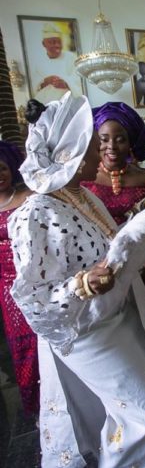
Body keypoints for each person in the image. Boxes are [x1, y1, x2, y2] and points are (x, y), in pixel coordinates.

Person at [9, 93, 145, 467]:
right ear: (71, 153)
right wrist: (82, 285)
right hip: (85, 332)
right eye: (94, 147)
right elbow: (34, 298)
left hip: (119, 318)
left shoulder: (83, 197)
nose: (102, 155)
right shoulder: (34, 212)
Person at [82, 102, 145, 324]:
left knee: (142, 323)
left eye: (120, 139)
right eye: (103, 139)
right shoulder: (84, 179)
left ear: (131, 141)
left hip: (139, 266)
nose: (111, 146)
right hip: (96, 266)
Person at [0, 141, 39, 416]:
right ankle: (37, 406)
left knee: (44, 339)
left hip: (36, 277)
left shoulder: (28, 196)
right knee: (23, 344)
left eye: (1, 168)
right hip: (6, 286)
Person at [31, 22, 82, 103]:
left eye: (59, 42)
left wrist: (66, 84)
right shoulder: (38, 62)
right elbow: (33, 85)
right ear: (44, 44)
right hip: (45, 105)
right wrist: (43, 82)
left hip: (68, 102)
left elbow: (79, 80)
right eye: (52, 42)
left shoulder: (71, 58)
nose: (57, 45)